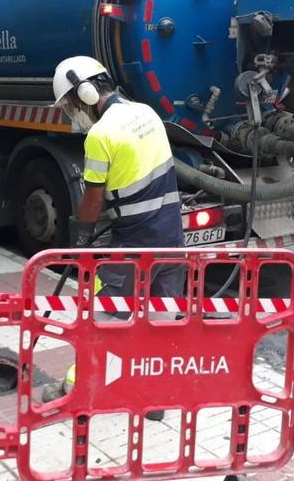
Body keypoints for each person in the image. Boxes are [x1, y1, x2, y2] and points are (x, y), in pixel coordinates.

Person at [40, 56, 186, 419]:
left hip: (133, 244)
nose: (73, 112)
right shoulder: (147, 113)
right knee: (163, 317)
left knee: (104, 317)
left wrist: (82, 234)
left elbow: (92, 199)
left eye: (71, 104)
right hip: (171, 237)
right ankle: (156, 398)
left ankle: (77, 388)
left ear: (86, 93)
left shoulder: (100, 136)